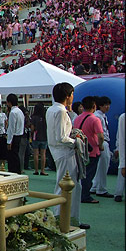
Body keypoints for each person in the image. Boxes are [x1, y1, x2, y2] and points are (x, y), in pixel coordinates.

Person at [46, 83, 88, 229]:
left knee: (69, 186)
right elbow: (61, 137)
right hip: (65, 152)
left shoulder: (52, 109)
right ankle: (62, 219)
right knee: (68, 186)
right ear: (68, 95)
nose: (73, 97)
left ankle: (66, 218)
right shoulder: (60, 111)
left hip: (59, 152)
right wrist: (76, 141)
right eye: (72, 94)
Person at [73, 96, 104, 204]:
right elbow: (100, 136)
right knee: (89, 174)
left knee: (80, 173)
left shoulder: (77, 118)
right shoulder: (95, 119)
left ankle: (79, 194)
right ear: (94, 106)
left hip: (80, 149)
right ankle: (85, 195)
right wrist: (101, 146)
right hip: (92, 150)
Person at [91, 96, 113, 197]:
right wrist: (101, 144)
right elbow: (100, 132)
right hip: (101, 142)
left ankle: (95, 186)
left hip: (102, 142)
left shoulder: (102, 116)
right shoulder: (98, 117)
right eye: (106, 105)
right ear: (100, 106)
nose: (108, 107)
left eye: (108, 105)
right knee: (103, 166)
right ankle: (101, 189)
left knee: (100, 166)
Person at [6, 94, 25, 174]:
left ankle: (13, 171)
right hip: (19, 134)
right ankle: (17, 170)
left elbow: (11, 128)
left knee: (12, 156)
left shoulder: (13, 112)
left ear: (9, 102)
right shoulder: (20, 111)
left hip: (14, 136)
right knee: (16, 155)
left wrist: (9, 141)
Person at [30, 102, 48, 176]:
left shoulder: (34, 117)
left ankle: (36, 170)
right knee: (43, 154)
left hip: (36, 137)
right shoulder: (45, 117)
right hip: (44, 136)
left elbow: (32, 128)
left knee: (36, 154)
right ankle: (43, 170)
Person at [113, 113, 125, 202]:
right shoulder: (123, 117)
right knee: (122, 171)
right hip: (123, 148)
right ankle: (119, 193)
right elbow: (121, 138)